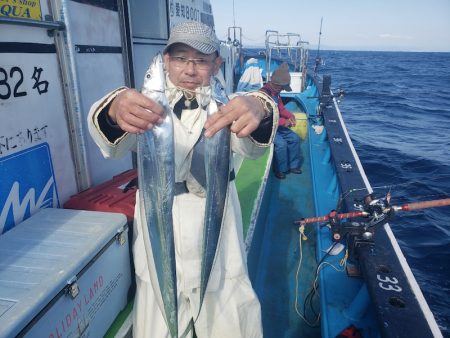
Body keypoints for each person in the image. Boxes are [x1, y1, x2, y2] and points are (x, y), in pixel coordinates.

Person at [87, 22, 278, 337]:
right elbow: (111, 142)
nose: (190, 69)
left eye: (201, 60)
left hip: (219, 234)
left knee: (229, 321)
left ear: (217, 63)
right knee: (160, 321)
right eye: (180, 58)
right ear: (165, 60)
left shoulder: (228, 105)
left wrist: (260, 106)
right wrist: (114, 108)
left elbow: (253, 146)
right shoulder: (145, 105)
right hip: (161, 227)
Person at [259, 63, 302, 179]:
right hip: (267, 128)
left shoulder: (276, 93)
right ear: (277, 85)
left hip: (277, 125)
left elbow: (280, 108)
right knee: (281, 145)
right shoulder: (264, 95)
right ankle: (280, 169)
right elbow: (267, 118)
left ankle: (293, 165)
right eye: (283, 87)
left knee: (295, 139)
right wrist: (285, 122)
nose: (283, 89)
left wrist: (290, 115)